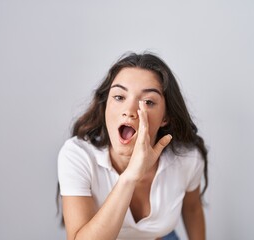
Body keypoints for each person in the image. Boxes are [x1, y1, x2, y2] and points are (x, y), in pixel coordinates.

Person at [57, 52, 208, 240]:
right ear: (106, 106)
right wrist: (130, 177)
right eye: (119, 97)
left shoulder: (187, 158)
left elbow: (192, 209)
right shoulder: (77, 155)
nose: (129, 111)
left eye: (148, 102)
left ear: (165, 117)